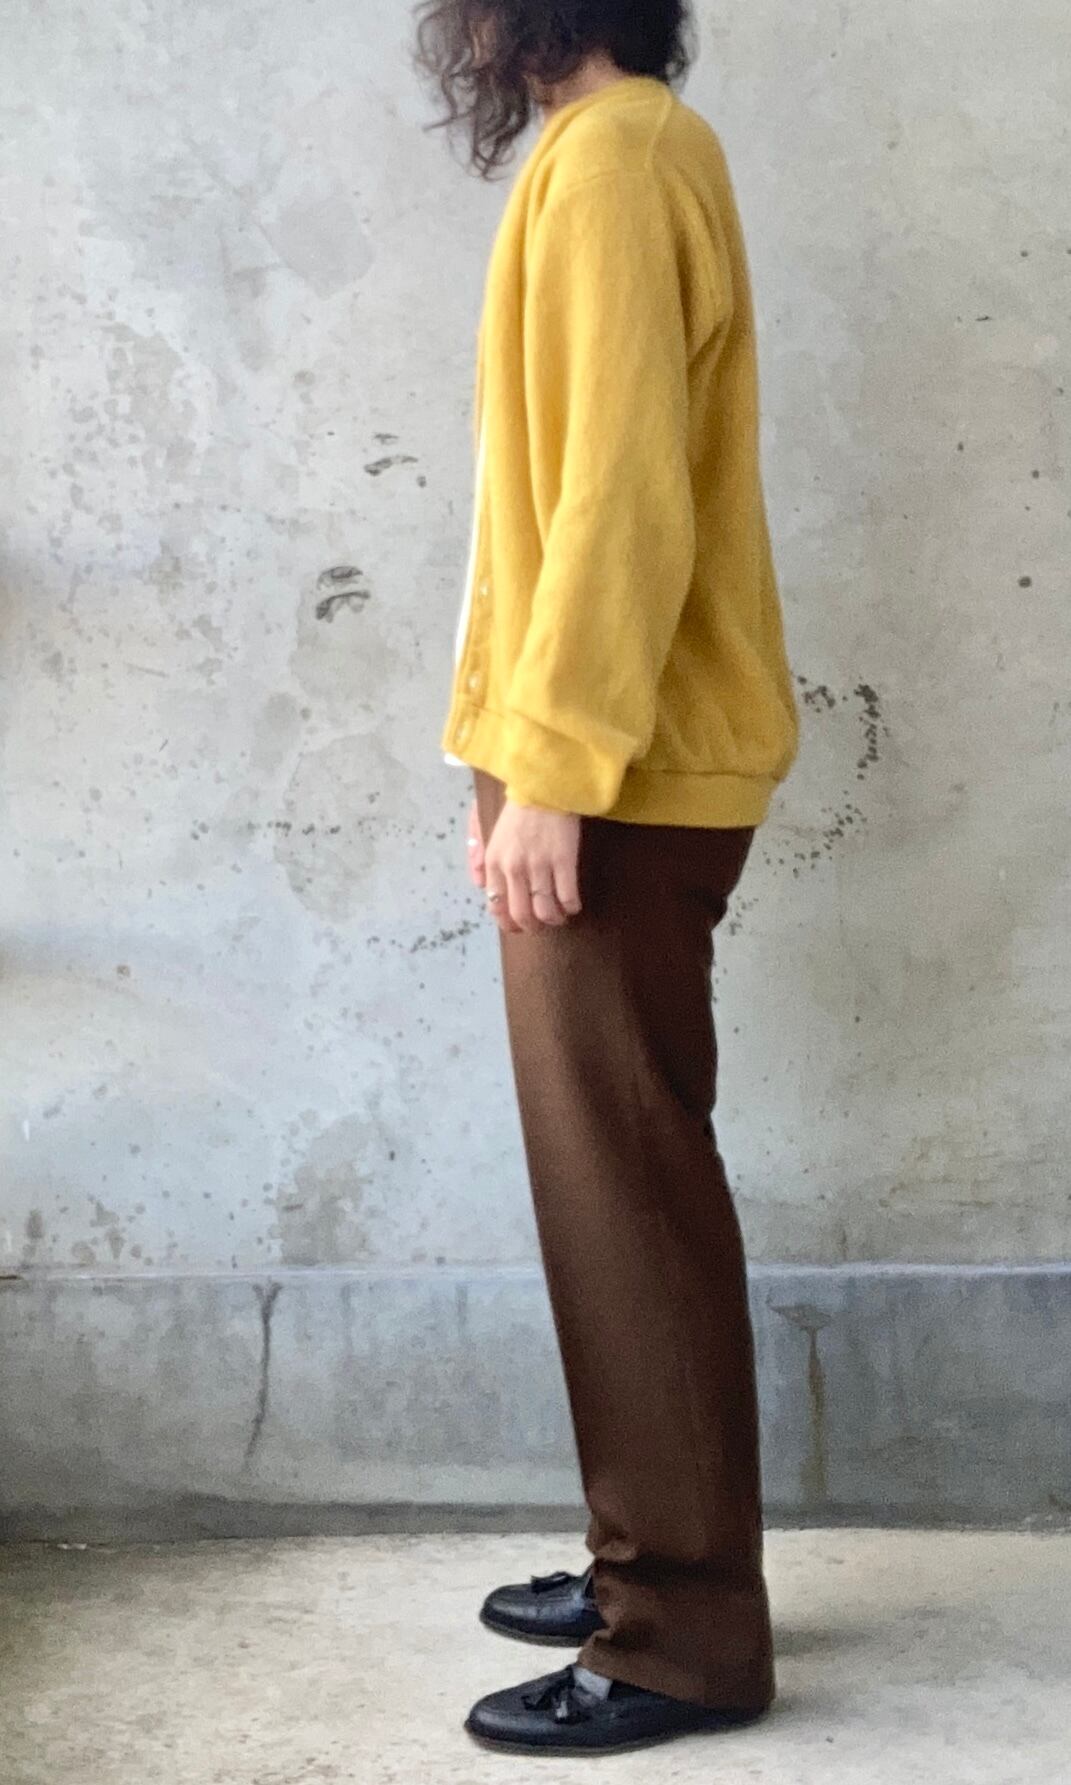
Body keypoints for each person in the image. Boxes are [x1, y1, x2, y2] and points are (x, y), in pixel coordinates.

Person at [412, 0, 800, 1756]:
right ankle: (651, 1558)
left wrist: (554, 771)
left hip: (623, 774)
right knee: (624, 1187)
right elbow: (554, 495)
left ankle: (680, 1635)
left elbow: (619, 494)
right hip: (601, 762)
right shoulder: (613, 149)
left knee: (625, 1196)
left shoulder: (624, 157)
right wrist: (509, 759)